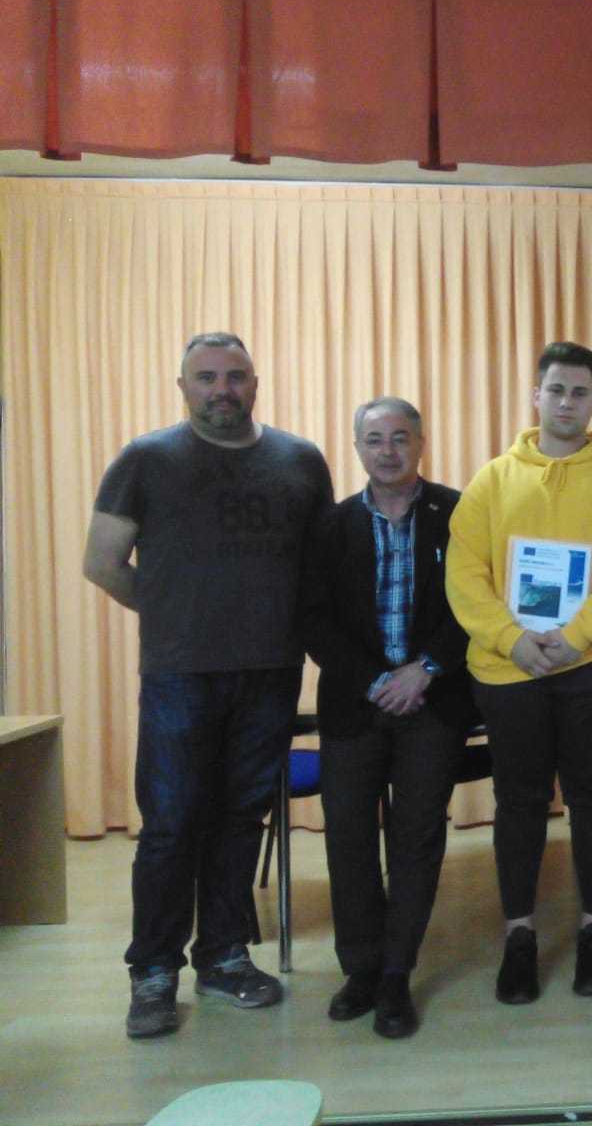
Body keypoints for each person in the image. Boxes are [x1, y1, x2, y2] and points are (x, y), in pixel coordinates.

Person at [83, 332, 333, 1040]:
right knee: (170, 826)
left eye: (235, 376)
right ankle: (153, 972)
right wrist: (175, 616)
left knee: (239, 819)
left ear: (255, 383)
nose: (222, 389)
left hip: (271, 672)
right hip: (180, 675)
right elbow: (102, 563)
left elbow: (322, 564)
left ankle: (223, 957)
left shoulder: (300, 461)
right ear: (183, 387)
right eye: (206, 377)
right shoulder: (145, 459)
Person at [445, 340, 592, 1003]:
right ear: (536, 396)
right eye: (556, 390)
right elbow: (465, 574)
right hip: (509, 670)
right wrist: (512, 640)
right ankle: (520, 936)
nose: (567, 402)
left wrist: (574, 638)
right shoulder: (492, 480)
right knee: (520, 801)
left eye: (580, 392)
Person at [300, 397, 477, 1038]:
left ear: (421, 443)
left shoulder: (459, 513)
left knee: (416, 840)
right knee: (348, 840)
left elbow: (476, 603)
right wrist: (377, 680)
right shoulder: (331, 525)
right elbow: (314, 618)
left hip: (433, 700)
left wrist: (425, 668)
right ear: (357, 449)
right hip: (356, 705)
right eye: (374, 440)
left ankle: (398, 972)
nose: (388, 451)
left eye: (400, 437)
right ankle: (362, 970)